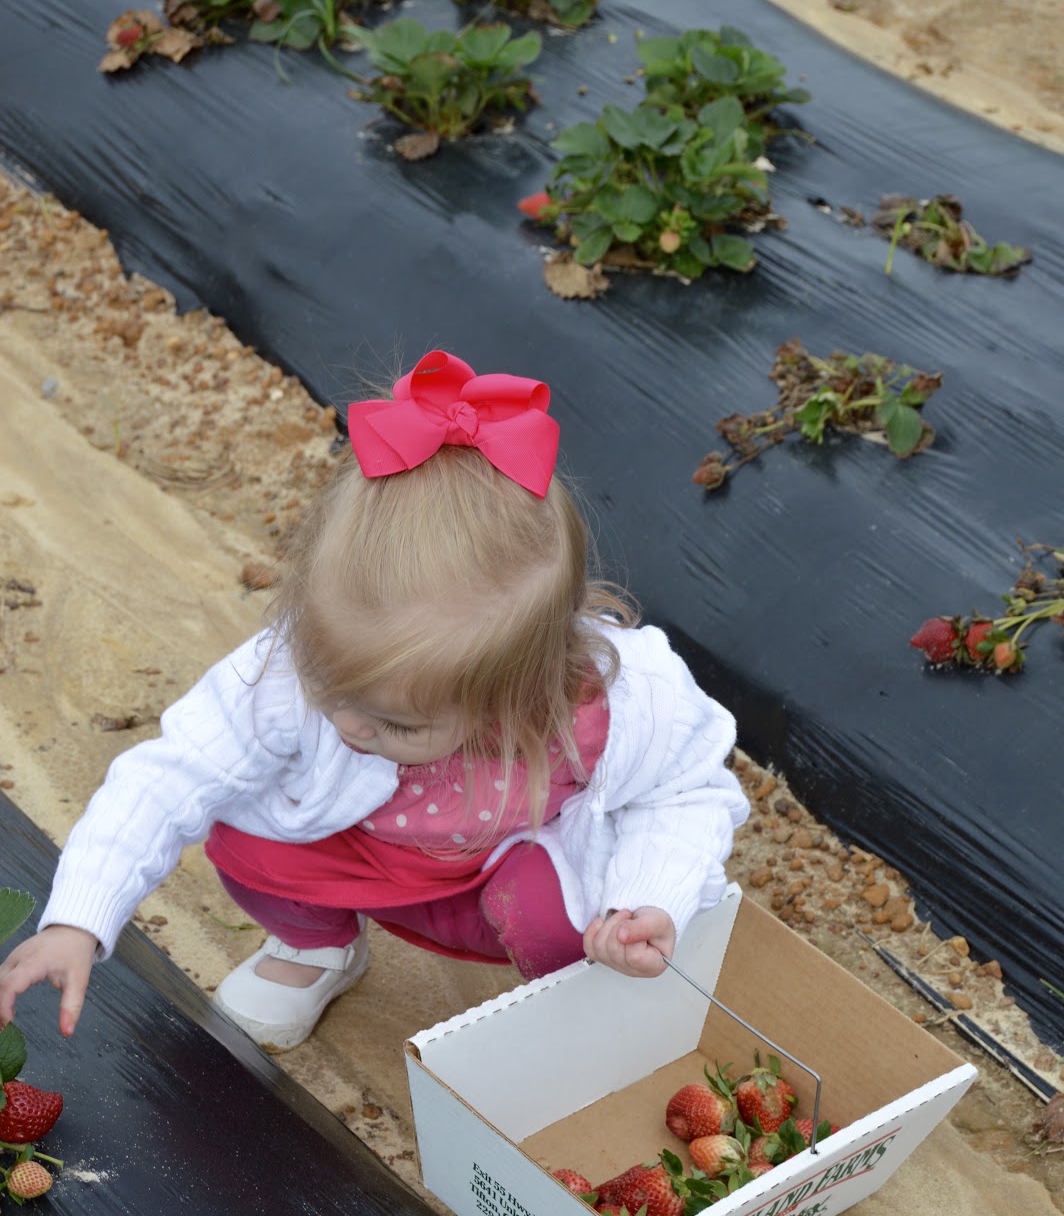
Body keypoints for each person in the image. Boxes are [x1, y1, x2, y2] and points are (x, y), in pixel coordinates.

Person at [0, 350, 749, 1053]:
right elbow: (169, 777)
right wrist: (79, 920)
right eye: (331, 688)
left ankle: (575, 1000)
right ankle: (318, 946)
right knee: (244, 834)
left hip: (496, 870)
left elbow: (684, 794)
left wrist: (645, 900)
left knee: (555, 918)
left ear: (513, 692)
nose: (348, 724)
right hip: (359, 849)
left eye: (398, 723)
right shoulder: (295, 672)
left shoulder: (610, 709)